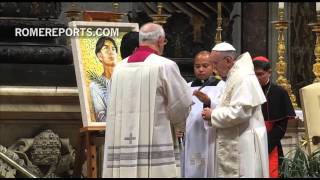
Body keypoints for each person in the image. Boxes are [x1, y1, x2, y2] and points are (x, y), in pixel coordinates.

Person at [102, 23, 193, 178]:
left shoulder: (118, 69)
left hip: (122, 145)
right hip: (156, 145)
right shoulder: (165, 66)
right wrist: (181, 125)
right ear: (160, 40)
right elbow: (182, 104)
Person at [200, 42, 269, 178]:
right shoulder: (234, 75)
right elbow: (227, 105)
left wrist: (213, 115)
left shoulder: (243, 77)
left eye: (215, 63)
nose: (213, 69)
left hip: (244, 143)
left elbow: (241, 112)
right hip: (238, 138)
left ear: (228, 60)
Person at [182, 51, 225, 178]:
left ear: (213, 67)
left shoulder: (222, 86)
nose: (201, 69)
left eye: (205, 66)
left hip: (210, 136)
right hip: (190, 135)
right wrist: (179, 127)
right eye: (197, 66)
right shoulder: (187, 86)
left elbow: (225, 110)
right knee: (191, 168)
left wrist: (208, 102)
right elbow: (182, 110)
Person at [252, 56, 296, 178]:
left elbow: (281, 126)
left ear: (269, 73)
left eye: (260, 74)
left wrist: (265, 145)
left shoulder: (279, 92)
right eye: (254, 74)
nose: (257, 78)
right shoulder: (247, 92)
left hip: (271, 144)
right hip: (250, 143)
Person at [89, 36, 118, 122]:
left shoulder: (126, 79)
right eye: (106, 48)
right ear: (99, 56)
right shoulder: (96, 86)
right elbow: (101, 117)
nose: (111, 52)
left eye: (113, 49)